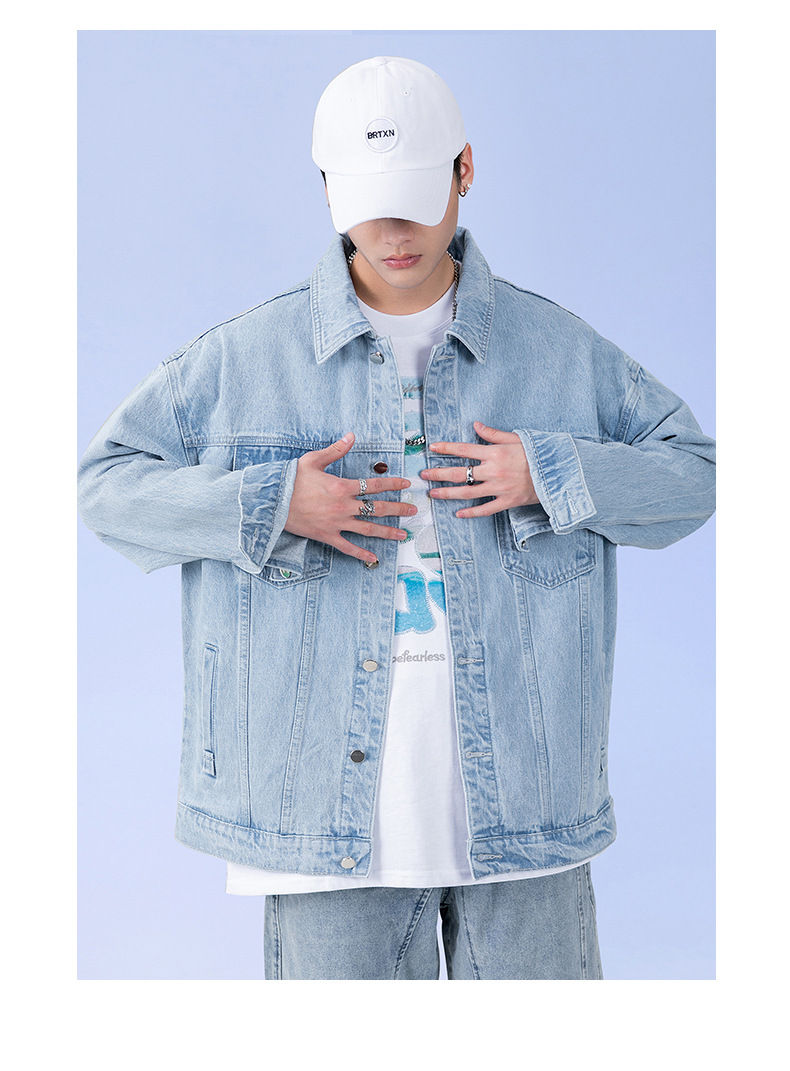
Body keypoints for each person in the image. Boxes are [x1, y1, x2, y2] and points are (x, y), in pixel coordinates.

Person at [77, 56, 716, 980]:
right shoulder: (247, 358)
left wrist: (553, 471)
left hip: (526, 817)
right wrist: (268, 503)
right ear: (327, 188)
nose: (392, 232)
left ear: (465, 170)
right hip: (318, 824)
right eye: (366, 203)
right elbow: (106, 484)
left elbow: (695, 474)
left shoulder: (557, 353)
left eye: (415, 197)